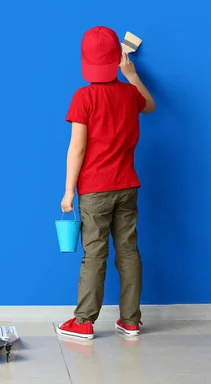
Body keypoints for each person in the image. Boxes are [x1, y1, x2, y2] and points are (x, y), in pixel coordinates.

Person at [57, 26, 156, 340]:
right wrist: (132, 75)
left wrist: (69, 190)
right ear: (118, 58)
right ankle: (130, 321)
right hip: (127, 186)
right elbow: (150, 106)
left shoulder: (83, 96)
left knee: (94, 255)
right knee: (128, 252)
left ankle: (84, 322)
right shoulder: (129, 93)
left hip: (95, 190)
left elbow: (78, 147)